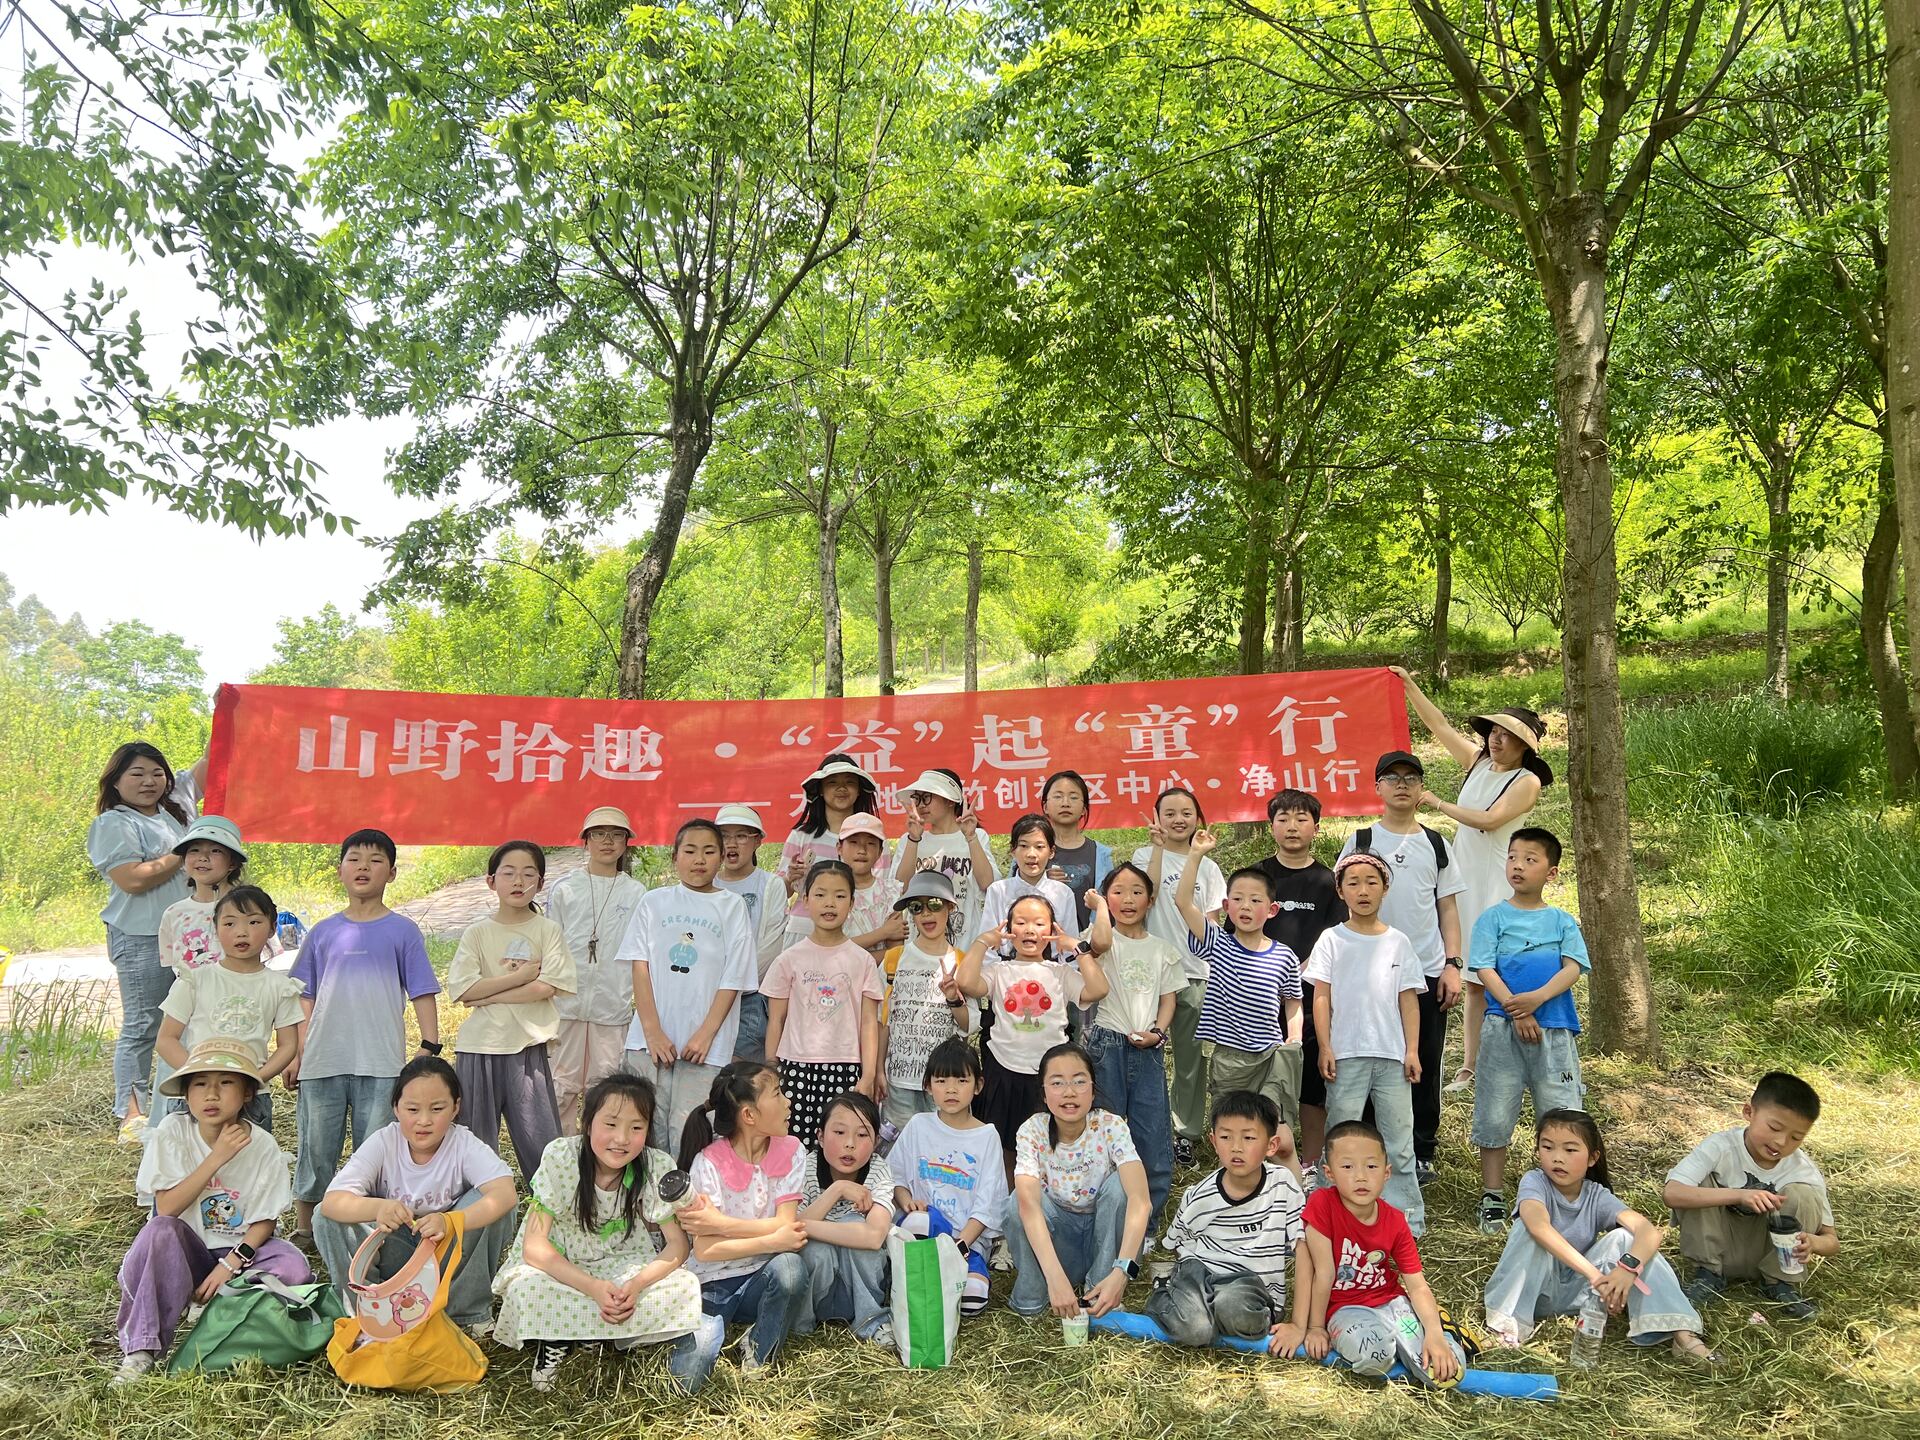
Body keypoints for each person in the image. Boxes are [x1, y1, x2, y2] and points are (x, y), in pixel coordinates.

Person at [493, 1072, 713, 1393]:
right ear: (587, 1122)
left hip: (622, 1261)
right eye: (610, 1124)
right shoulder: (561, 1157)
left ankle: (584, 1331)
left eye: (636, 1127)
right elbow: (535, 1248)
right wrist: (594, 1288)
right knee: (527, 1289)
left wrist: (636, 1286)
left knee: (685, 1285)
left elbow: (677, 1247)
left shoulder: (655, 1165)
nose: (621, 1138)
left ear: (648, 1130)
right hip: (561, 1263)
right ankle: (561, 1338)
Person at [115, 1037, 311, 1384]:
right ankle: (141, 1349)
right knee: (157, 1232)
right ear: (186, 1094)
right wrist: (217, 1157)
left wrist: (229, 1264)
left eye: (226, 1083)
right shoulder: (172, 1132)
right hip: (187, 1248)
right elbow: (167, 1207)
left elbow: (264, 1221)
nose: (211, 1095)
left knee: (294, 1268)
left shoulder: (262, 1145)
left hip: (238, 1252)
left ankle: (218, 1311)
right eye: (200, 1084)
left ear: (247, 1093)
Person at [1391, 670, 1551, 1095]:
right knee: (1467, 976)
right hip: (1462, 875)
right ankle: (1469, 1065)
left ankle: (1510, 1060)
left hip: (1497, 878)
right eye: (1493, 732)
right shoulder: (1479, 762)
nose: (1495, 740)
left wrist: (1437, 802)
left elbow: (1488, 821)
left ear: (1525, 747)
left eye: (1507, 735)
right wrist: (1408, 685)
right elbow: (1439, 725)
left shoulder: (1527, 782)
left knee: (1494, 974)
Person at [291, 828, 442, 1239]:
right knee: (315, 1147)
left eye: (375, 860)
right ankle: (307, 1230)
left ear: (391, 873)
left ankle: (366, 1231)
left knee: (374, 1150)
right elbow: (302, 995)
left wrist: (429, 1046)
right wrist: (295, 1049)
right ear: (340, 869)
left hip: (381, 1062)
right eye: (354, 858)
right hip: (322, 1060)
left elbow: (422, 990)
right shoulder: (322, 932)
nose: (363, 867)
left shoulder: (403, 931)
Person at [1484, 1110, 1720, 1365]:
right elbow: (1539, 1226)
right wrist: (1595, 1275)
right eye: (1547, 1147)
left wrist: (1628, 1269)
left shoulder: (1596, 1195)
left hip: (1582, 1295)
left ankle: (1683, 1335)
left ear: (1592, 1158)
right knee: (1527, 1231)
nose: (1557, 1158)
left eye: (1570, 1150)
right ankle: (1505, 1327)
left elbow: (1648, 1231)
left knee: (1626, 1239)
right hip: (1535, 1289)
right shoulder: (1535, 1182)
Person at [315, 1056, 520, 1335]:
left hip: (443, 1255)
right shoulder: (384, 1141)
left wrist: (451, 1221)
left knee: (494, 1205)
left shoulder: (462, 1143)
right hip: (394, 1251)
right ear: (396, 1108)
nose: (424, 1121)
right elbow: (332, 1202)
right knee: (325, 1218)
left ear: (455, 1107)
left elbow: (505, 1194)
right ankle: (367, 1312)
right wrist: (379, 1208)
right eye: (412, 1109)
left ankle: (465, 1313)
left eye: (437, 1108)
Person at [1336, 751, 1463, 1188]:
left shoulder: (1435, 843)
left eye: (1411, 777)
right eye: (1392, 778)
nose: (1402, 785)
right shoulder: (1362, 840)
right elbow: (1347, 898)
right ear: (1378, 787)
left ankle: (1422, 1146)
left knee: (1423, 1058)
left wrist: (1452, 964)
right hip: (1369, 973)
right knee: (1372, 1057)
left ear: (1421, 785)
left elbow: (1447, 907)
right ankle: (1369, 1147)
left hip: (1426, 970)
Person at [1469, 827, 1589, 1235]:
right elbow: (1485, 969)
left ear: (1551, 873)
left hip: (1554, 1030)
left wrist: (1536, 999)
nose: (1518, 865)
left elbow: (1572, 968)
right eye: (1513, 857)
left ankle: (1562, 1195)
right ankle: (1493, 1195)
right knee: (1495, 1109)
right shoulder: (1492, 918)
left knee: (1561, 1112)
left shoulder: (1561, 920)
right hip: (1503, 1028)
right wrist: (1516, 1010)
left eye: (1530, 859)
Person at [1302, 851, 1427, 1233]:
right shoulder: (1331, 939)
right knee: (1341, 1134)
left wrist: (1411, 1050)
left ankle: (1406, 1220)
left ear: (1385, 889)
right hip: (1347, 1055)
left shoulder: (1398, 942)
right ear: (1340, 891)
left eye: (1372, 882)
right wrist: (1325, 1046)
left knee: (1398, 1139)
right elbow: (1320, 997)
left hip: (1391, 1056)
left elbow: (1408, 998)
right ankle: (1330, 1217)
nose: (1363, 890)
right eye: (1353, 883)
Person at [88, 741, 204, 1143]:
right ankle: (131, 1114)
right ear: (116, 782)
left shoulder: (176, 807)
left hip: (191, 936)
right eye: (136, 773)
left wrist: (225, 710)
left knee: (189, 1021)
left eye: (157, 772)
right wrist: (187, 850)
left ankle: (177, 1109)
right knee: (144, 1024)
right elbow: (132, 879)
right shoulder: (114, 823)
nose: (148, 781)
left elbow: (214, 760)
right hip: (141, 937)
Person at [620, 819, 758, 1148]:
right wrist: (652, 1031)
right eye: (690, 851)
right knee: (641, 1127)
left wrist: (706, 1034)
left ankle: (686, 1198)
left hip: (705, 1048)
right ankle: (640, 1198)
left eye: (709, 851)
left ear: (722, 857)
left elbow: (734, 977)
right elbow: (640, 965)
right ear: (675, 856)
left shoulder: (732, 906)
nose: (699, 859)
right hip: (648, 1043)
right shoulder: (653, 903)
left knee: (692, 1130)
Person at [1662, 1072, 1838, 1322]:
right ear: (1749, 1112)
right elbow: (1672, 1193)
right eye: (1774, 1127)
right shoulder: (1720, 1147)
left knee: (1804, 1194)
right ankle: (1708, 1274)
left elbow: (1832, 1240)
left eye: (1796, 1138)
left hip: (1770, 1252)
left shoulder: (1803, 1169)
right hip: (1718, 1246)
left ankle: (1779, 1282)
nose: (1781, 1142)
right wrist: (1739, 1195)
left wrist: (1813, 1242)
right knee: (1698, 1183)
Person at [1299, 1120, 1462, 1386]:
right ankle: (1395, 1343)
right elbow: (1324, 1273)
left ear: (1387, 1173)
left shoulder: (1396, 1221)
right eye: (1348, 1166)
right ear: (1329, 1173)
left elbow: (1417, 1286)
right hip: (1345, 1308)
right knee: (1376, 1356)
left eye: (1371, 1166)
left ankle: (1445, 1331)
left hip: (1392, 1304)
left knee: (1447, 1372)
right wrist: (1316, 1328)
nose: (1361, 1176)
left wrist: (1435, 1335)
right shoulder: (1322, 1204)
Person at [1176, 831, 1302, 1175]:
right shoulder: (1218, 943)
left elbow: (1293, 1002)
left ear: (1272, 909)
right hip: (1230, 1061)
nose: (1246, 907)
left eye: (1256, 900)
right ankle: (1237, 1204)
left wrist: (1294, 1039)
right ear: (1226, 906)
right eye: (1238, 899)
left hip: (1273, 1057)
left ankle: (1294, 1209)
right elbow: (1183, 902)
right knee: (1235, 1141)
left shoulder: (1284, 957)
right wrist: (1196, 855)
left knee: (1280, 1138)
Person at [676, 1062, 813, 1375]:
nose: (787, 1101)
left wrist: (721, 1225)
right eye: (777, 1094)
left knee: (791, 1269)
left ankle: (759, 1350)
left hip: (760, 1279)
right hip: (712, 1282)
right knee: (690, 1374)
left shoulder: (791, 1150)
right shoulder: (708, 1162)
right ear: (749, 1115)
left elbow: (786, 1224)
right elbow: (706, 1251)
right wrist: (771, 1240)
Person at [447, 840, 577, 1166]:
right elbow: (463, 989)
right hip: (479, 1048)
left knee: (542, 1145)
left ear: (541, 883)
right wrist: (520, 978)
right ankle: (477, 1214)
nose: (518, 882)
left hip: (527, 1047)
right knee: (474, 1145)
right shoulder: (476, 933)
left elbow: (546, 988)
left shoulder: (548, 930)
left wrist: (488, 995)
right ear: (491, 881)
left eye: (528, 874)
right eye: (509, 873)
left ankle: (547, 1214)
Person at [956, 894, 1109, 1163]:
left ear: (1051, 931)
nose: (1029, 930)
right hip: (1004, 1071)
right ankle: (1007, 1200)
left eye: (1039, 924)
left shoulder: (1059, 973)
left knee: (1048, 1145)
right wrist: (983, 942)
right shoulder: (1000, 971)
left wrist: (1076, 947)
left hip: (1048, 1075)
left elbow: (1098, 989)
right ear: (1008, 931)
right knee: (1004, 1147)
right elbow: (966, 982)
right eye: (1021, 922)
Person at [1149, 1090, 1306, 1352]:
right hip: (1201, 1272)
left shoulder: (1283, 1184)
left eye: (1248, 1137)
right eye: (1225, 1137)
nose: (1236, 1147)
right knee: (1196, 1330)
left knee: (1237, 1313)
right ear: (1213, 1140)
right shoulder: (1200, 1194)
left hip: (1253, 1285)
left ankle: (1213, 1308)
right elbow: (1178, 1241)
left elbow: (1305, 1251)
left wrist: (1300, 1324)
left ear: (1271, 1145)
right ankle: (1164, 1294)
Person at [1006, 1044, 1153, 1319]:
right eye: (1057, 1083)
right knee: (1017, 1202)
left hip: (1106, 1244)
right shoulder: (1032, 1130)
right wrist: (1056, 1280)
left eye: (1079, 1081)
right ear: (1044, 1093)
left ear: (1094, 1090)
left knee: (1121, 1187)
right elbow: (1028, 1206)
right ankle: (1032, 1299)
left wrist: (1122, 1272)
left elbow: (1140, 1201)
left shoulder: (1111, 1125)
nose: (1069, 1092)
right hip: (1059, 1246)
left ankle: (1102, 1293)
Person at [1082, 864, 1183, 1228]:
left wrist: (1158, 1031)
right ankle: (1099, 1216)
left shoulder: (1162, 949)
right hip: (1106, 1043)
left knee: (1152, 1135)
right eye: (1118, 891)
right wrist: (1099, 911)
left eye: (1137, 891)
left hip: (1149, 1048)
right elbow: (1099, 944)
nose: (1128, 899)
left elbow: (1168, 1000)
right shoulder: (1101, 936)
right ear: (1106, 898)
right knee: (1101, 1132)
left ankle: (1149, 1222)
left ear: (1151, 900)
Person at [155, 885, 302, 1126]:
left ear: (272, 928)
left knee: (250, 1161)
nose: (241, 932)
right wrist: (198, 1077)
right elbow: (166, 1039)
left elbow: (288, 1045)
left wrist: (253, 1080)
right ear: (216, 930)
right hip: (198, 1097)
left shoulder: (280, 986)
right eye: (230, 923)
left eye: (253, 922)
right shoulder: (195, 979)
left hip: (251, 1098)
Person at [760, 860, 885, 1143]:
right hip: (795, 1067)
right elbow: (776, 1020)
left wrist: (867, 1075)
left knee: (842, 1146)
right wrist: (772, 1070)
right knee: (794, 1145)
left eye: (840, 896)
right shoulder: (789, 959)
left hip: (846, 1067)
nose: (830, 903)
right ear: (805, 900)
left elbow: (869, 1022)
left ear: (852, 903)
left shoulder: (862, 960)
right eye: (820, 894)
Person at [1256, 789, 1346, 1180]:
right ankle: (1262, 1158)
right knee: (1262, 1078)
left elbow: (1338, 937)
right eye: (1283, 819)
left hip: (1312, 998)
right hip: (1258, 994)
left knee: (1312, 1083)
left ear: (1316, 827)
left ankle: (1309, 1164)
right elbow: (1239, 929)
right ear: (1270, 825)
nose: (1292, 827)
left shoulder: (1329, 882)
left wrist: (1296, 970)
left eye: (1301, 818)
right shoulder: (1258, 876)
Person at [1132, 787, 1224, 1167]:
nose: (1178, 819)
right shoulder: (1143, 856)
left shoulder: (1210, 867)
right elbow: (1144, 897)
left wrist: (1215, 969)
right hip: (1148, 973)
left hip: (1195, 973)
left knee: (1189, 1060)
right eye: (1169, 812)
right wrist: (1155, 849)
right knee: (1142, 1053)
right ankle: (1143, 1129)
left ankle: (1185, 1132)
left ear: (1198, 818)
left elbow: (1213, 926)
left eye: (1186, 812)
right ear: (1156, 817)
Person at [888, 1036, 1008, 1318]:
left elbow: (988, 1203)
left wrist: (960, 1245)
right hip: (927, 1231)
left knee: (973, 1300)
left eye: (961, 1081)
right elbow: (895, 1176)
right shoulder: (919, 1125)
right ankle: (921, 1274)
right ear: (928, 1086)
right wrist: (907, 1202)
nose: (951, 1089)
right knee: (918, 1219)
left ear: (978, 1085)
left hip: (965, 1242)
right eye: (941, 1081)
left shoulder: (987, 1136)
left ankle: (943, 1279)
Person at [544, 806, 646, 1134]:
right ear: (585, 841)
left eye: (616, 835)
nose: (607, 841)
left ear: (626, 843)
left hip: (611, 1005)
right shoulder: (565, 889)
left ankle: (598, 1152)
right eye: (599, 834)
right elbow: (550, 944)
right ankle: (558, 1154)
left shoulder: (637, 893)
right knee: (561, 1085)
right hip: (566, 1004)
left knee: (606, 1087)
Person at [876, 871, 972, 1135]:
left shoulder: (963, 962)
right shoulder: (895, 959)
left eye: (935, 904)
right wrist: (877, 1071)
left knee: (944, 1149)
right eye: (917, 907)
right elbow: (883, 1021)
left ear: (950, 907)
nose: (927, 914)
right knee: (897, 1153)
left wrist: (954, 998)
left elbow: (969, 1024)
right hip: (899, 1082)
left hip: (945, 1082)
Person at [796, 1091, 895, 1345]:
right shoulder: (805, 1168)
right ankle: (801, 1326)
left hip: (859, 1290)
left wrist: (806, 1226)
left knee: (855, 1228)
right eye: (839, 1133)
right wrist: (836, 1190)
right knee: (814, 1250)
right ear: (820, 1135)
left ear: (874, 1143)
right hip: (818, 1291)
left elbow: (874, 1238)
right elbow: (792, 1235)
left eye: (862, 1135)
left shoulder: (879, 1171)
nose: (850, 1143)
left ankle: (871, 1322)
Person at [714, 804, 791, 1064]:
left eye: (741, 835)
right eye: (724, 835)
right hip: (706, 993)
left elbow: (770, 947)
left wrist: (733, 984)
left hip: (751, 996)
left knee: (739, 1072)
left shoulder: (771, 885)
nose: (732, 844)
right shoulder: (707, 883)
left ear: (758, 840)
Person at [780, 754, 883, 942]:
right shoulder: (801, 836)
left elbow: (881, 889)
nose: (841, 788)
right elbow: (780, 894)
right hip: (804, 930)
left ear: (860, 790)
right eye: (832, 782)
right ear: (820, 790)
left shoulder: (874, 839)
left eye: (850, 782)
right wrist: (790, 877)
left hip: (858, 932)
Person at [894, 767, 998, 947]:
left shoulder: (976, 836)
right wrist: (914, 839)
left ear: (950, 801)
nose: (920, 805)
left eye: (927, 797)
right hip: (918, 946)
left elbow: (988, 884)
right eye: (917, 798)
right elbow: (899, 889)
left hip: (965, 945)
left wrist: (971, 838)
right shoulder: (909, 840)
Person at [157, 815, 247, 975]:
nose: (203, 857)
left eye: (215, 851)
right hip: (190, 997)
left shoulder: (248, 906)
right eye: (195, 850)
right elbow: (173, 964)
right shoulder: (173, 913)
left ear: (232, 863)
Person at [979, 814, 1081, 952]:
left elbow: (1070, 944)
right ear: (1013, 850)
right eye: (1024, 846)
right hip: (1004, 969)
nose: (1031, 854)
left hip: (1054, 970)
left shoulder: (1063, 893)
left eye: (1039, 847)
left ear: (1051, 852)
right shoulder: (998, 891)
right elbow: (987, 943)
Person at [1040, 769, 1111, 930]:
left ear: (1084, 809)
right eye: (1058, 796)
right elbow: (1013, 895)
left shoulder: (1100, 853)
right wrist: (1041, 880)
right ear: (1045, 807)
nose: (1065, 803)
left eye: (1073, 797)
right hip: (1039, 946)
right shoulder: (1031, 849)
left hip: (1087, 947)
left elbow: (1111, 903)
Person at [837, 813, 906, 963]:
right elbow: (832, 949)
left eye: (870, 843)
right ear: (839, 848)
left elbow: (895, 953)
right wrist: (883, 933)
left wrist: (850, 952)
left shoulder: (890, 892)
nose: (862, 850)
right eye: (854, 842)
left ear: (880, 851)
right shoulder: (830, 894)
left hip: (881, 982)